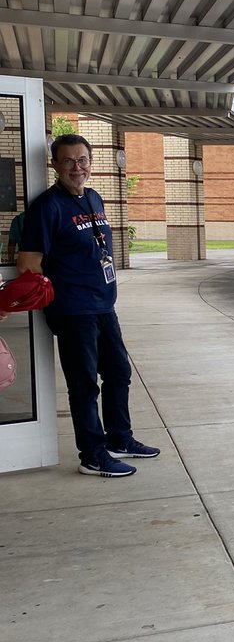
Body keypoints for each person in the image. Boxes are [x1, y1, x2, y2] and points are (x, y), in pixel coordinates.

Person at [16, 134, 160, 478]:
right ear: (55, 165)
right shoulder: (47, 207)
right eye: (68, 161)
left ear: (90, 163)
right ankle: (93, 454)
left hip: (103, 304)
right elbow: (28, 262)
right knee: (84, 385)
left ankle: (119, 439)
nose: (76, 168)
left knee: (119, 374)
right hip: (73, 310)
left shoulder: (93, 198)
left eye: (82, 160)